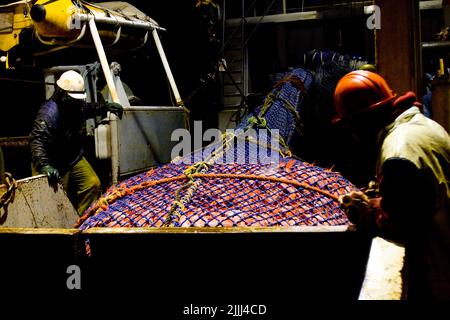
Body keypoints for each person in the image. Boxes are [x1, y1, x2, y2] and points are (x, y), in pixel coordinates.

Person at [333, 70, 450, 300]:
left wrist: (364, 214)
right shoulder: (425, 126)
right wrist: (378, 202)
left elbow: (402, 225)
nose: (353, 136)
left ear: (363, 120)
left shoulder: (397, 152)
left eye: (352, 126)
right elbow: (418, 198)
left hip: (437, 272)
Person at [30, 70, 123, 216]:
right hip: (52, 162)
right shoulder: (49, 113)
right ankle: (62, 230)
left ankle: (82, 221)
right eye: (74, 98)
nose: (78, 101)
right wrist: (44, 165)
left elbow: (87, 109)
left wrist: (104, 107)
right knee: (56, 200)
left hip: (72, 157)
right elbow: (37, 141)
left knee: (92, 184)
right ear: (61, 93)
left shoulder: (74, 104)